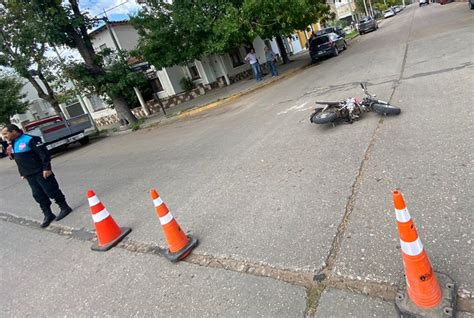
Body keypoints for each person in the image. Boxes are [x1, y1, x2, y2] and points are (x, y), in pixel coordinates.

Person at [1, 124, 73, 228]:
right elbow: (19, 160)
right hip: (29, 175)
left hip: (40, 171)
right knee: (38, 195)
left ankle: (64, 207)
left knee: (51, 190)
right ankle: (48, 214)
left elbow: (44, 154)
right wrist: (22, 173)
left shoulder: (30, 139)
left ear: (14, 131)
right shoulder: (13, 142)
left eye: (5, 133)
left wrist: (47, 168)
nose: (4, 136)